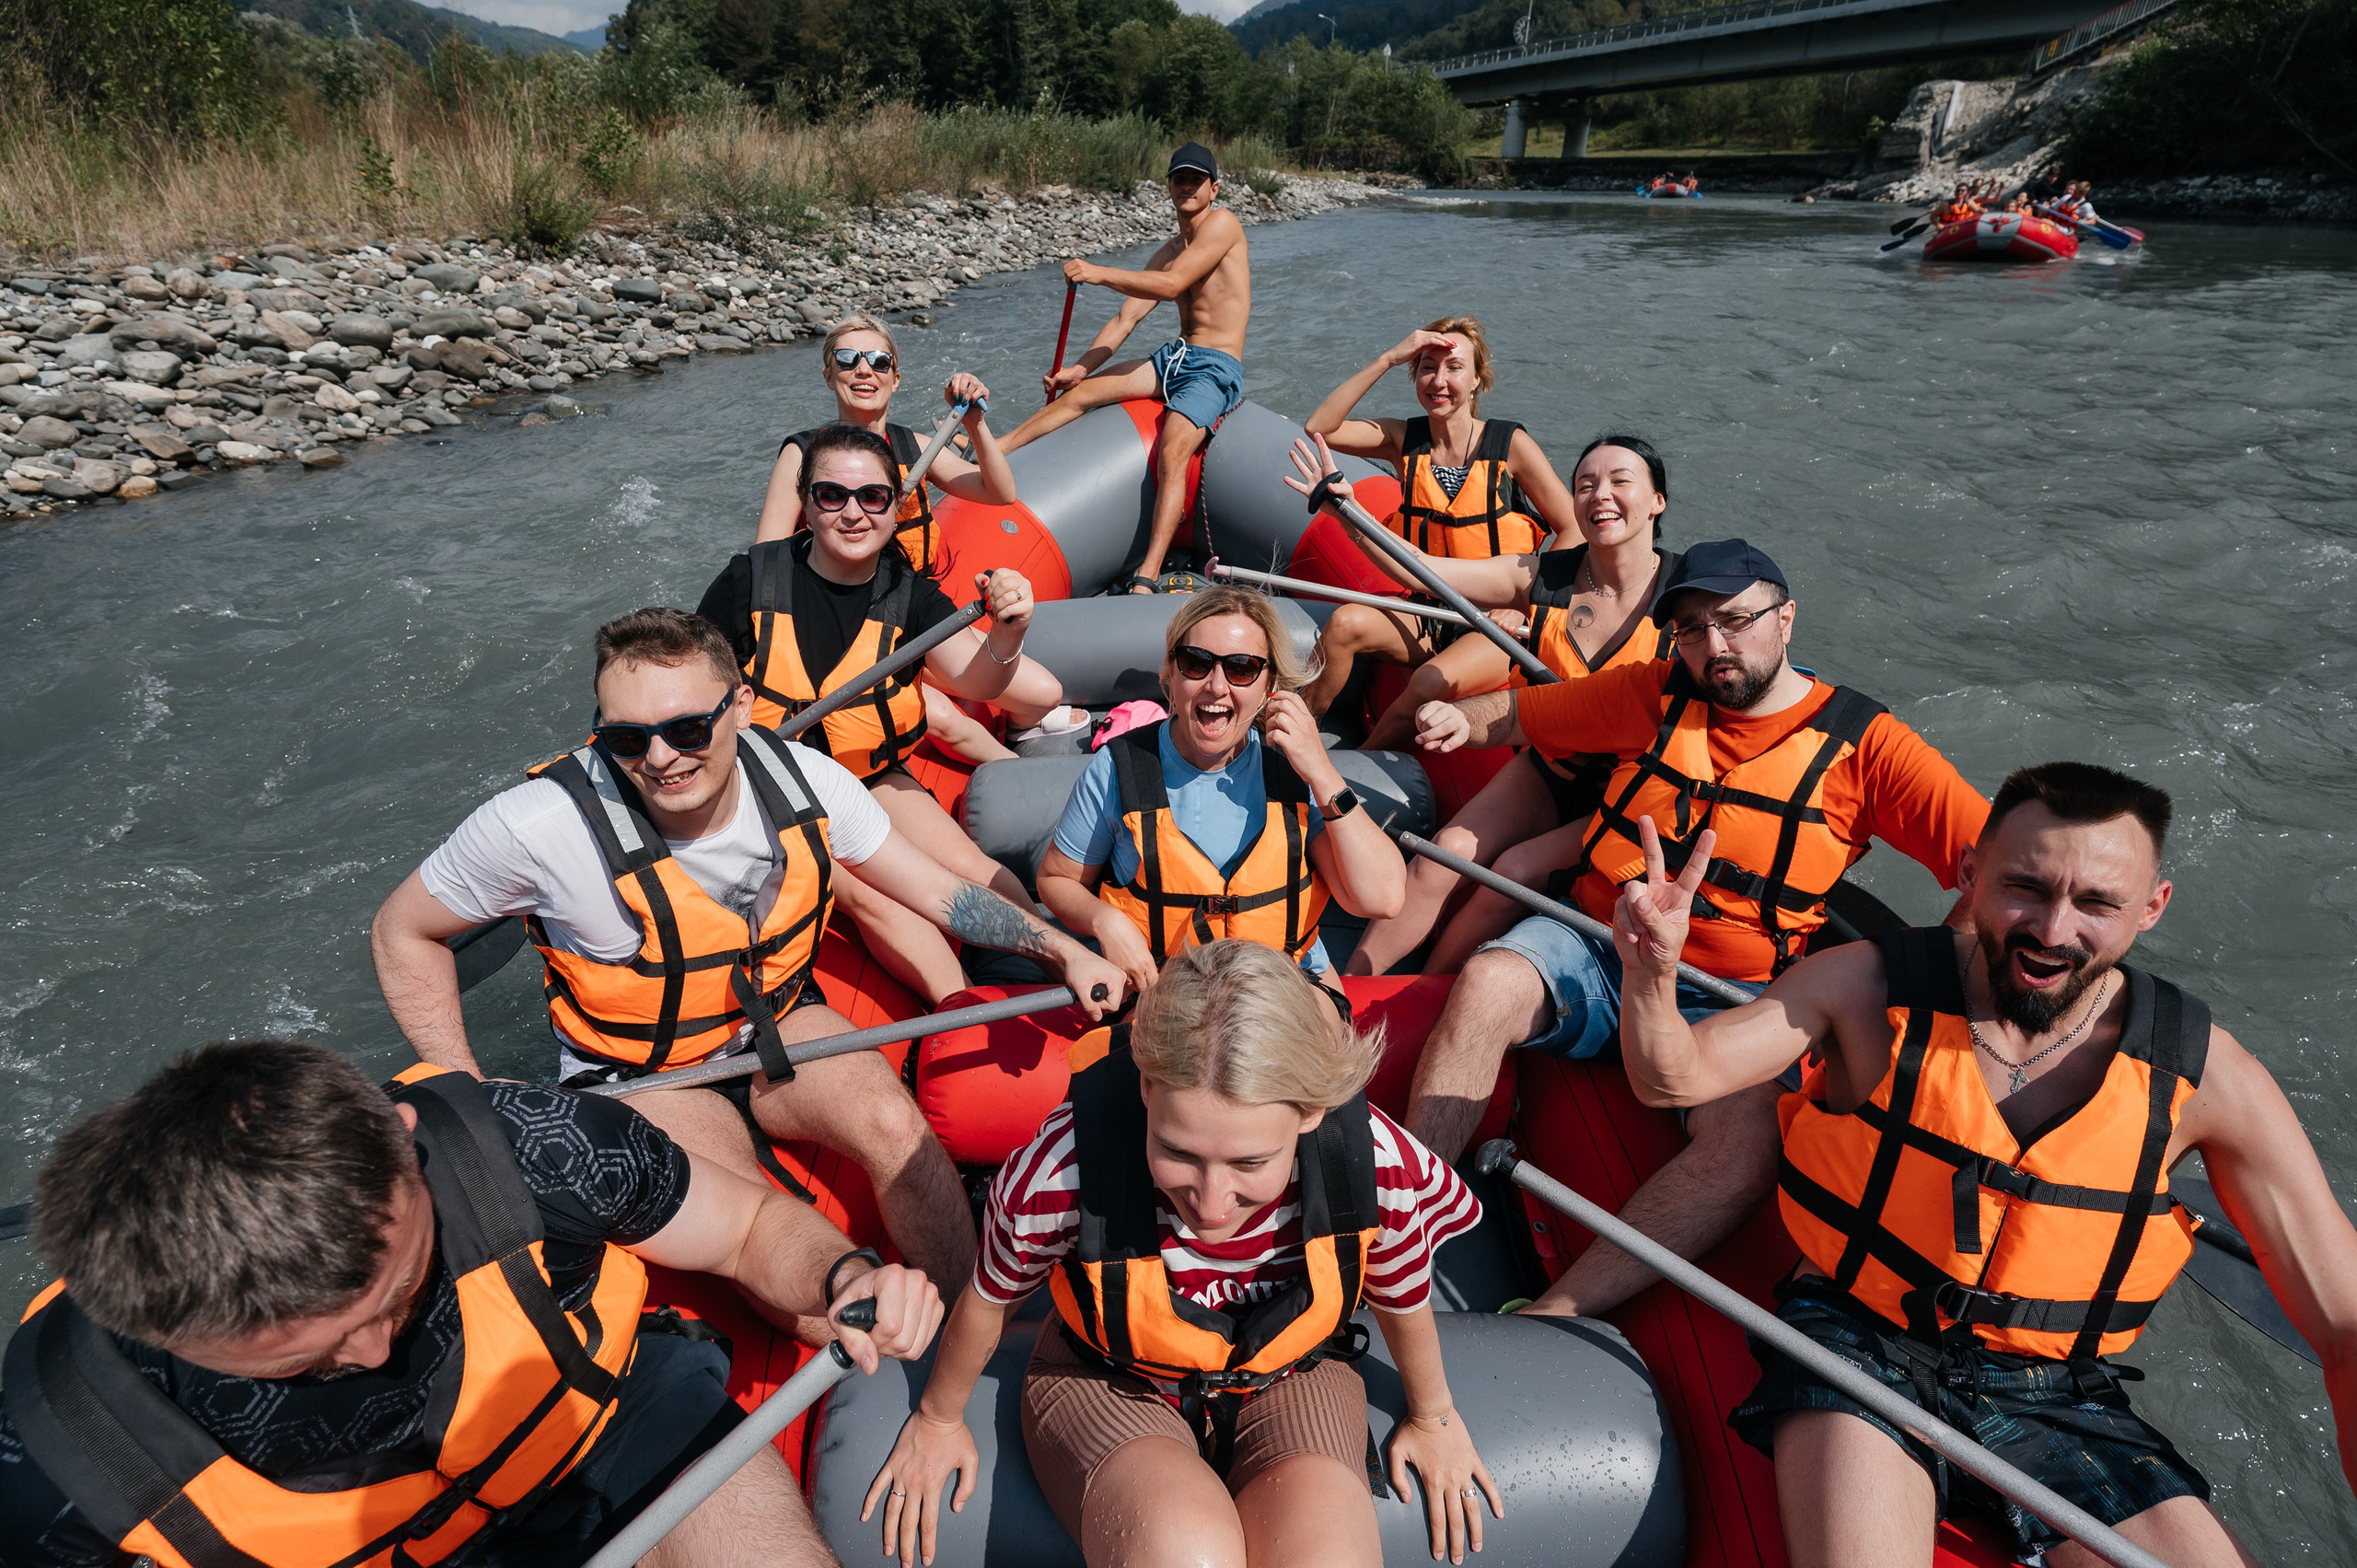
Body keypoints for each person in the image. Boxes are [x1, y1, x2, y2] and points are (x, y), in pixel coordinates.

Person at [1608, 761, 2357, 1566]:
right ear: (1971, 873)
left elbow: (2344, 1320)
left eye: (2097, 902)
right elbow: (1673, 1075)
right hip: (1862, 1338)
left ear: (2152, 907)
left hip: (2060, 1389)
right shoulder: (1861, 985)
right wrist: (1652, 976)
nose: (2053, 927)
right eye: (2025, 888)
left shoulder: (2209, 1075)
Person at [370, 606, 1128, 1300]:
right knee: (759, 1225)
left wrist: (1062, 951)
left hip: (777, 1024)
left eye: (688, 730)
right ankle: (862, 1339)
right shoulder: (537, 826)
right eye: (626, 738)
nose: (660, 758)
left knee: (899, 1131)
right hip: (643, 1075)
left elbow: (938, 892)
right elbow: (402, 930)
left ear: (739, 705)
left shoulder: (806, 779)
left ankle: (967, 1316)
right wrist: (464, 1088)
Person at [0, 1038, 947, 1568]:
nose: (373, 1353)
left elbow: (746, 1231)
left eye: (396, 1288)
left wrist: (841, 1275)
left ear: (408, 1146)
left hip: (611, 1429)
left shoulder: (531, 1142)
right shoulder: (54, 1451)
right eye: (302, 1359)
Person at [1402, 539, 1990, 1323]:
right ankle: (1400, 1227)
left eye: (1736, 620)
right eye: (1692, 627)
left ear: (1786, 618)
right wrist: (1456, 716)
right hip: (1598, 945)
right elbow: (1522, 711)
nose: (1714, 644)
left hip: (1730, 992)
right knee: (1490, 978)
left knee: (1749, 1143)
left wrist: (1929, 978)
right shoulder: (1655, 692)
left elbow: (1994, 866)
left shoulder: (1870, 749)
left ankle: (1556, 1312)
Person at [861, 941, 1501, 1568]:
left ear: (1309, 1114)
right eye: (1179, 1152)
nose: (1213, 1199)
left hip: (1292, 1375)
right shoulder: (1065, 1168)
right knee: (1183, 1552)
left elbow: (1403, 1290)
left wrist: (1435, 1414)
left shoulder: (1373, 1163)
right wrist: (939, 1418)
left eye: (1250, 1162)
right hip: (1109, 1380)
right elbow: (991, 1296)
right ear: (1145, 1087)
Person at [1282, 432, 1687, 977]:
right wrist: (1343, 507)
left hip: (1632, 793)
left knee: (1512, 871)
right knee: (1443, 853)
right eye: (1586, 485)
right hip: (1552, 768)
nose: (1600, 496)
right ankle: (1352, 985)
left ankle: (1424, 997)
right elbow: (1420, 566)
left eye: (1621, 482)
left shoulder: (1687, 596)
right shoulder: (1545, 577)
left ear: (1657, 501)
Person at [702, 423, 1055, 1005]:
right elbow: (691, 683)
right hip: (771, 793)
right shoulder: (750, 580)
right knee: (878, 897)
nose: (853, 513)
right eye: (831, 496)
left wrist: (1010, 630)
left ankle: (1060, 960)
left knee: (972, 865)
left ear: (895, 508)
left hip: (865, 773)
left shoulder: (909, 593)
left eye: (873, 497)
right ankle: (967, 1010)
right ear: (807, 506)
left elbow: (980, 678)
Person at [1034, 586, 1407, 1027]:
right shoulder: (1119, 769)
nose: (1217, 686)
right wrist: (1102, 921)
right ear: (1169, 675)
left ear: (1270, 686)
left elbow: (1381, 898)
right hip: (1167, 992)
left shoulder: (1295, 772)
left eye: (1242, 669)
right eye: (1196, 663)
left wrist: (1322, 772)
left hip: (1287, 987)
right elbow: (1056, 880)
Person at [752, 316, 1063, 734]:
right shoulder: (804, 454)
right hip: (845, 618)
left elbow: (1000, 491)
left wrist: (974, 423)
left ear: (895, 378)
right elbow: (766, 556)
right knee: (953, 723)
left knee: (1045, 693)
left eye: (879, 361)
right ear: (829, 376)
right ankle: (940, 694)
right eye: (847, 360)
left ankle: (950, 690)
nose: (864, 370)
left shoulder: (914, 448)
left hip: (911, 607)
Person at [1294, 320, 1576, 730]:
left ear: (1477, 379)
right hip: (1429, 612)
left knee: (1426, 684)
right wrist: (1389, 358)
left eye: (1454, 368)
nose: (1439, 381)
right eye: (1427, 367)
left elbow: (1573, 527)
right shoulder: (1402, 439)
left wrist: (1528, 605)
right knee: (1343, 625)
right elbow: (1320, 427)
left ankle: (1348, 777)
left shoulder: (1509, 444)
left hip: (1497, 623)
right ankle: (1290, 735)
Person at [999, 143, 1251, 594]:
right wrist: (1080, 367)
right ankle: (997, 451)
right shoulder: (1171, 247)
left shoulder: (1224, 225)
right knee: (1081, 395)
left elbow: (1173, 284)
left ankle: (1147, 576)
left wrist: (1098, 272)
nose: (1187, 186)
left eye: (1197, 179)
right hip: (1175, 358)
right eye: (1179, 179)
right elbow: (1126, 318)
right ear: (1170, 187)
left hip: (1215, 367)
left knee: (1173, 452)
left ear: (1214, 188)